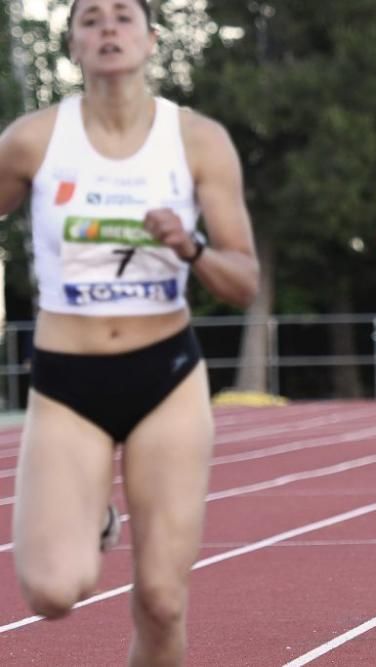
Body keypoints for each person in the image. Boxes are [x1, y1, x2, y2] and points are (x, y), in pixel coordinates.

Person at [0, 1, 259, 664]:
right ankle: (96, 518)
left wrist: (191, 247)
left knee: (162, 599)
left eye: (123, 16)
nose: (108, 28)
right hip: (67, 381)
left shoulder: (198, 139)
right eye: (90, 19)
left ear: (152, 40)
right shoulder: (32, 140)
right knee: (53, 590)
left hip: (165, 376)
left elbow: (244, 280)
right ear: (73, 45)